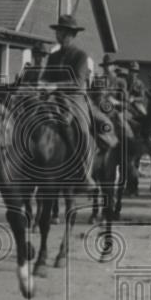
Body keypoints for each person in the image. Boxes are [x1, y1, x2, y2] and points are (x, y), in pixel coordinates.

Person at [40, 13, 116, 187]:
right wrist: (41, 84)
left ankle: (84, 171)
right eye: (59, 32)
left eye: (66, 33)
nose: (61, 36)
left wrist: (55, 86)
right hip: (53, 98)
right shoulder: (52, 57)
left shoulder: (80, 55)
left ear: (73, 36)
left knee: (82, 128)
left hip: (75, 99)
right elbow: (46, 77)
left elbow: (78, 82)